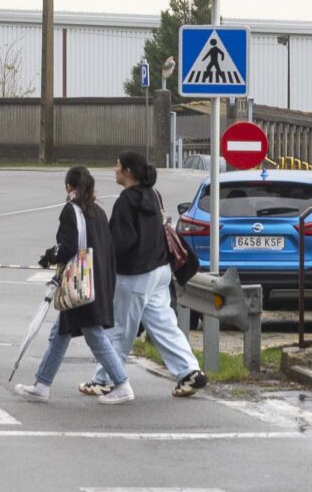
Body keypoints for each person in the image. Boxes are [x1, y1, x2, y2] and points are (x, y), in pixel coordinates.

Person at [14, 166, 131, 403]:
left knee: (94, 335)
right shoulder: (98, 212)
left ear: (69, 186)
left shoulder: (71, 210)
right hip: (97, 280)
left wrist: (49, 256)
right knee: (61, 332)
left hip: (80, 285)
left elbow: (68, 247)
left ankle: (122, 384)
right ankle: (42, 384)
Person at [108, 150, 207, 396]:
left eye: (117, 165)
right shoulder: (153, 194)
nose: (114, 169)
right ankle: (190, 372)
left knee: (120, 330)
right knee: (164, 325)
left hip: (134, 274)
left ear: (128, 171)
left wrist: (104, 258)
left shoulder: (125, 201)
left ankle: (106, 379)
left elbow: (122, 241)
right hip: (160, 270)